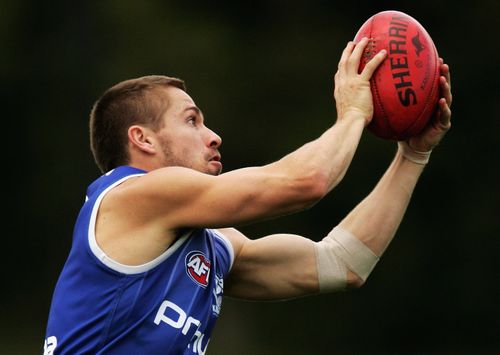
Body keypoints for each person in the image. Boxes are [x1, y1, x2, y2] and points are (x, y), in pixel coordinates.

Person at [43, 37, 452, 354]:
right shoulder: (133, 194)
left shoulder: (214, 243)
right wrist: (354, 114)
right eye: (192, 121)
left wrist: (413, 154)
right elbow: (306, 182)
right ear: (143, 139)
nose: (213, 136)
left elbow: (343, 263)